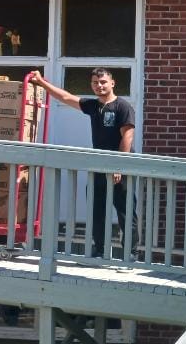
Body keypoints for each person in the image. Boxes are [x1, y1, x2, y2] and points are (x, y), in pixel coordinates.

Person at [29, 68, 135, 257]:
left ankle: (130, 254)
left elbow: (127, 137)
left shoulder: (122, 107)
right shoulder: (93, 106)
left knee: (125, 211)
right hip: (98, 166)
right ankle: (100, 251)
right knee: (96, 210)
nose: (99, 86)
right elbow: (66, 97)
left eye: (103, 82)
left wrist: (120, 165)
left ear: (112, 83)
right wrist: (41, 82)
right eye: (95, 82)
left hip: (121, 166)